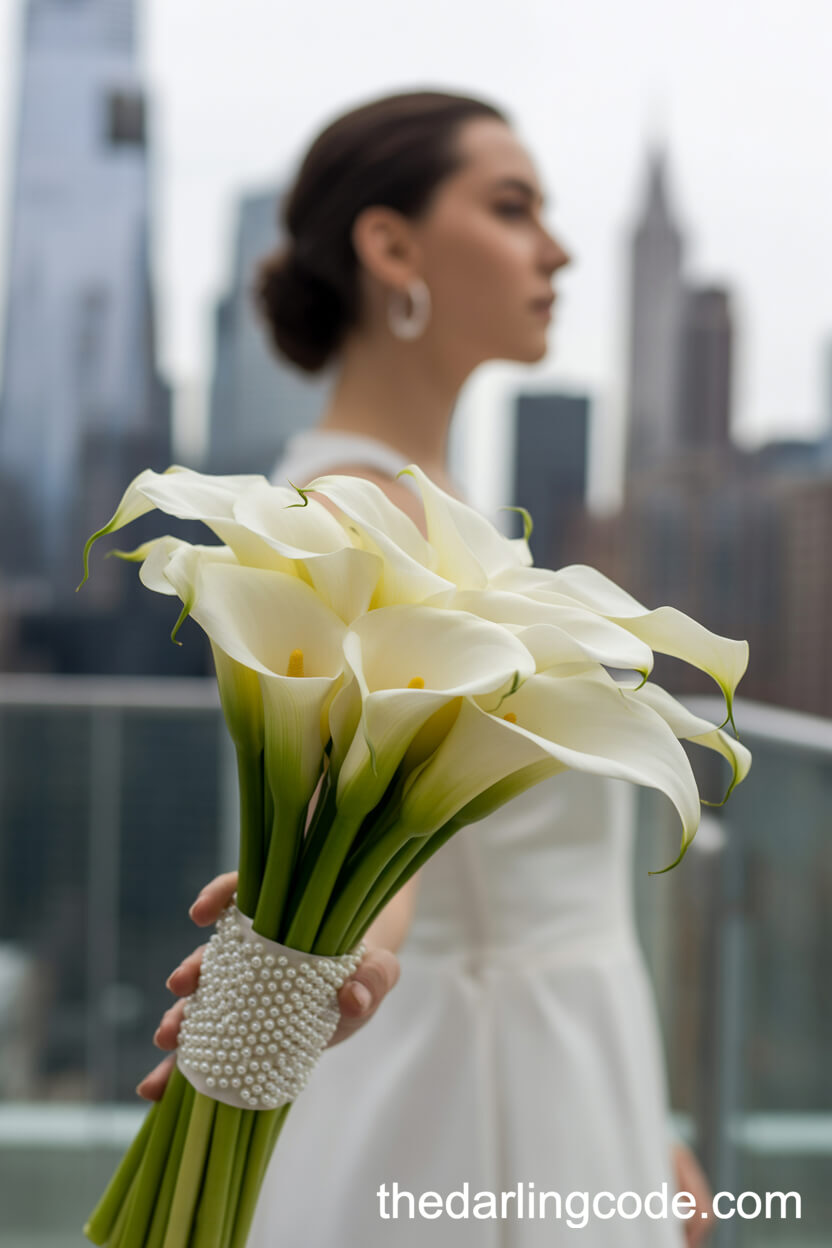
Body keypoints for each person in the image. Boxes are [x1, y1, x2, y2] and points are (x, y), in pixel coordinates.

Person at [136, 89, 714, 1245]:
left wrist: (642, 1125)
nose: (555, 249)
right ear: (391, 244)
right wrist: (330, 942)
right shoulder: (356, 510)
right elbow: (372, 813)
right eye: (512, 208)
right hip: (483, 1100)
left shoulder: (437, 512)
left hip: (561, 1066)